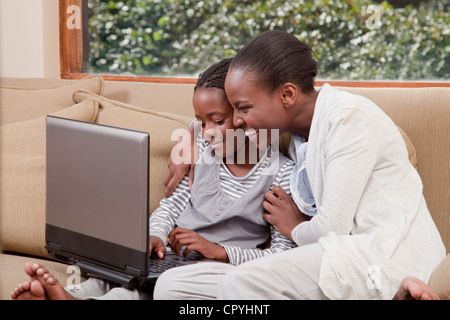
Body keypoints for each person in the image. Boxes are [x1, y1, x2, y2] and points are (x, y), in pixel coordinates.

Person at [162, 30, 446, 300]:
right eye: (234, 110)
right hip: (333, 255)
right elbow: (221, 125)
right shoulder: (293, 132)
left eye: (244, 108)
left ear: (287, 95)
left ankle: (396, 287)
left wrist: (294, 226)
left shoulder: (349, 119)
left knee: (240, 283)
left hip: (378, 254)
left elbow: (328, 231)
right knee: (173, 287)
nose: (236, 119)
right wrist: (192, 134)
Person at [10, 58, 300, 300]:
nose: (207, 131)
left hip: (216, 267)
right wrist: (155, 236)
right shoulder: (199, 149)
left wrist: (219, 251)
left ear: (242, 115)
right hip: (172, 257)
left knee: (142, 290)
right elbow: (170, 207)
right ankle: (76, 294)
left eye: (217, 121)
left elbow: (279, 258)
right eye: (200, 122)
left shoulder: (280, 174)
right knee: (120, 273)